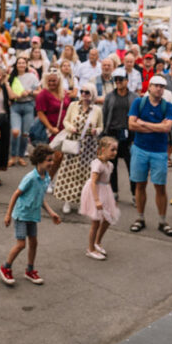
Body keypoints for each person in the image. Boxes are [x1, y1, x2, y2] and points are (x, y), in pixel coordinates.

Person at [0, 144, 62, 286]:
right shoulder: (30, 178)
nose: (52, 163)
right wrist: (8, 215)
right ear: (39, 161)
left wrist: (52, 213)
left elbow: (40, 199)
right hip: (22, 215)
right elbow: (16, 194)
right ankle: (5, 267)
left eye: (52, 160)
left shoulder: (46, 178)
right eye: (49, 160)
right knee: (21, 244)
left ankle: (30, 270)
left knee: (34, 243)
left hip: (33, 216)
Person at [127, 76, 172, 237]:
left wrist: (143, 124)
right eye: (156, 85)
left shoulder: (168, 106)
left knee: (160, 187)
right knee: (140, 185)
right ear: (149, 87)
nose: (159, 89)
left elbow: (166, 128)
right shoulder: (139, 102)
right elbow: (131, 124)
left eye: (162, 86)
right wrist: (157, 126)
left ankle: (162, 221)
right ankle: (140, 218)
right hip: (140, 149)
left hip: (159, 152)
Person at [51, 82, 102, 215]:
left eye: (87, 93)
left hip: (89, 146)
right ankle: (67, 201)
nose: (83, 95)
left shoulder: (97, 110)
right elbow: (65, 121)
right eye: (82, 92)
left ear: (92, 95)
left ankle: (81, 202)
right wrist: (70, 128)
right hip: (73, 143)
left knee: (84, 175)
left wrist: (97, 130)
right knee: (69, 172)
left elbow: (101, 126)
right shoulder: (74, 105)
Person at [81, 136, 120, 260]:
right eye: (112, 150)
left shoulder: (110, 165)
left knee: (108, 218)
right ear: (103, 149)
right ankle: (90, 249)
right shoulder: (97, 164)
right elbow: (93, 182)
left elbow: (107, 182)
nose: (115, 152)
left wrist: (111, 200)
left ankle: (97, 242)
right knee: (96, 222)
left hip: (105, 192)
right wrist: (96, 200)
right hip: (95, 192)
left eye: (115, 150)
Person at [101, 67, 134, 201]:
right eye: (116, 80)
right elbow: (104, 115)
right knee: (112, 166)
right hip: (112, 134)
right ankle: (114, 191)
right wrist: (104, 133)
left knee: (132, 167)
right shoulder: (109, 97)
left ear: (127, 80)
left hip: (128, 136)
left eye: (121, 79)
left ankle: (134, 194)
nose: (118, 82)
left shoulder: (134, 97)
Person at [7, 56, 38, 166]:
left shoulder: (32, 76)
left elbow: (39, 91)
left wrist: (29, 92)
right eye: (19, 63)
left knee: (25, 134)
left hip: (29, 105)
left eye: (23, 63)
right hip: (15, 105)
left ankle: (20, 156)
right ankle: (13, 156)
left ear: (26, 64)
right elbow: (8, 92)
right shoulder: (12, 77)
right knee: (16, 132)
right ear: (16, 65)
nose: (21, 65)